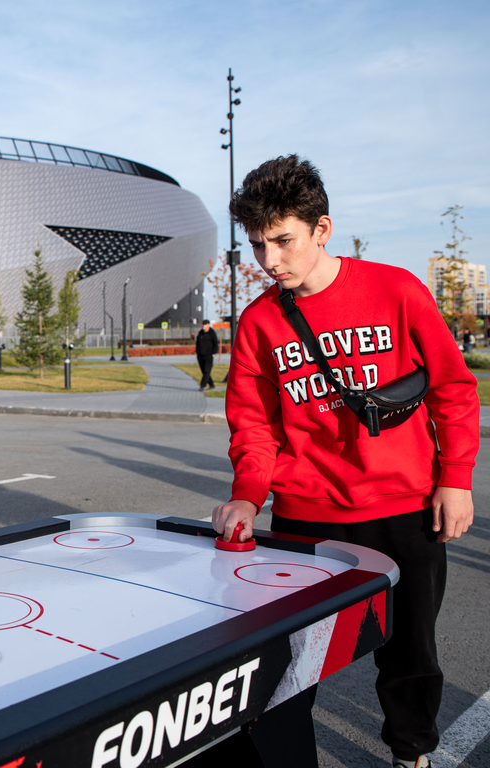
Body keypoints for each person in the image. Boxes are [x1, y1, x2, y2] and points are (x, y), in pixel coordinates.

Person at [212, 155, 478, 768]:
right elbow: (253, 424)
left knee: (410, 656)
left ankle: (411, 754)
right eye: (258, 244)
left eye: (283, 240)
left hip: (405, 511)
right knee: (290, 665)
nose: (269, 261)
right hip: (307, 517)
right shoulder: (259, 323)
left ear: (321, 230)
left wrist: (456, 480)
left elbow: (453, 390)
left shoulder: (397, 289)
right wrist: (250, 493)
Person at [195, 319, 219, 390]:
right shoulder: (200, 333)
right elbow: (197, 343)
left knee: (206, 370)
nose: (203, 326)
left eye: (205, 325)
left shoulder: (212, 333)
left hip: (209, 355)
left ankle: (202, 385)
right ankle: (211, 384)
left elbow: (216, 344)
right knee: (204, 371)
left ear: (208, 325)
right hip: (200, 355)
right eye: (203, 325)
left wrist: (213, 353)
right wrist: (197, 351)